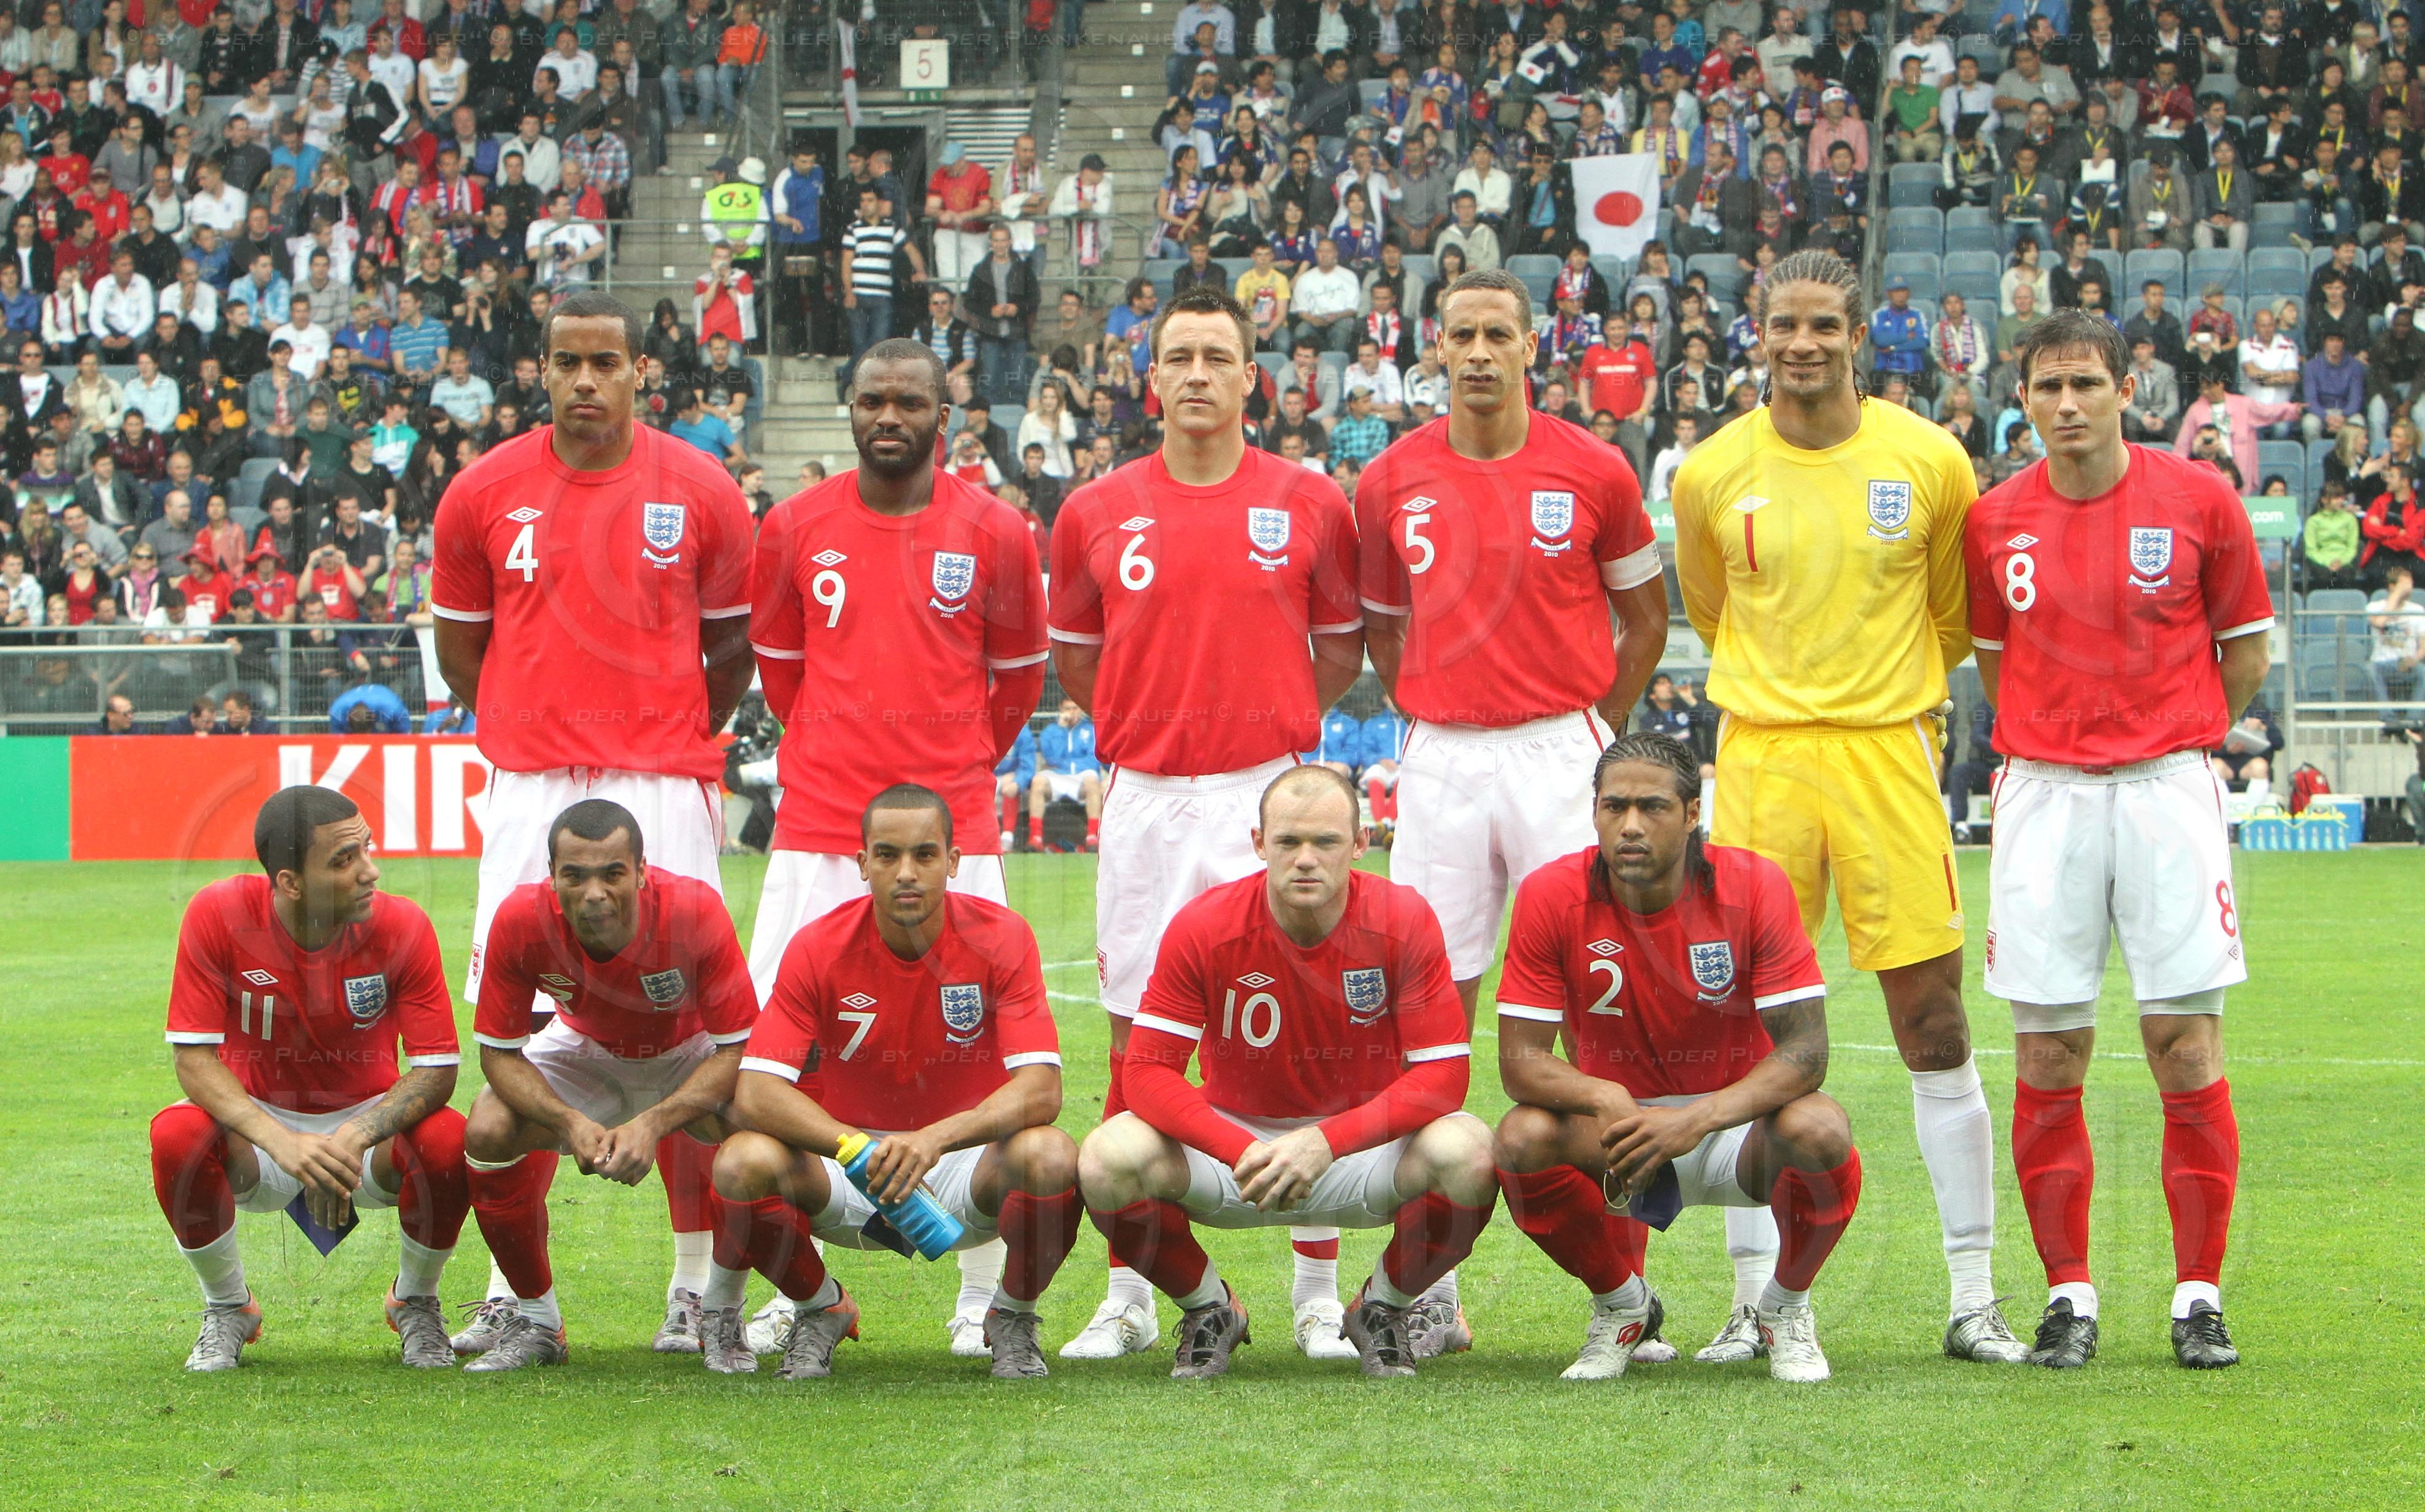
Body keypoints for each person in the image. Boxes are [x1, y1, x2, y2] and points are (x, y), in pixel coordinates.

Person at [1671, 249, 2032, 1365]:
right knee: (1737, 1030)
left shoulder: (1928, 458)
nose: (1804, 344)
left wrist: (1879, 700)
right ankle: (1750, 1302)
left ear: (1859, 333)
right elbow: (1711, 606)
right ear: (1758, 331)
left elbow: (1951, 616)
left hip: (1885, 755)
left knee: (1932, 1018)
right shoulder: (1710, 470)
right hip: (1765, 759)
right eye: (1785, 325)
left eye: (1825, 325)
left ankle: (1971, 1294)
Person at [1353, 266, 1675, 1357]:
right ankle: (1430, 1286)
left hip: (1557, 749)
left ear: (1533, 345)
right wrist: (1440, 712)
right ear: (1433, 349)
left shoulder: (1592, 465)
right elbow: (1384, 631)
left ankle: (1624, 1287)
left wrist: (1591, 727)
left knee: (1599, 1005)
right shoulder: (1391, 477)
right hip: (1442, 755)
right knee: (1429, 1014)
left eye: (1499, 332)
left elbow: (1644, 616)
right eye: (1461, 334)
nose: (1479, 351)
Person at [431, 289, 756, 1356]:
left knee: (686, 1033)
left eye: (604, 362)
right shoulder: (483, 490)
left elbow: (731, 650)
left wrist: (664, 724)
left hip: (662, 775)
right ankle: (518, 1297)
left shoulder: (701, 486)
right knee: (519, 1031)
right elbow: (460, 650)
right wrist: (533, 715)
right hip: (531, 784)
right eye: (565, 361)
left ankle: (694, 1289)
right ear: (542, 368)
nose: (584, 380)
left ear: (638, 372)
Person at [1047, 285, 1365, 1364]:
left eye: (1214, 356)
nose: (1195, 373)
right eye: (1176, 355)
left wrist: (1267, 742)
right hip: (1146, 791)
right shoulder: (1093, 508)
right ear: (1150, 381)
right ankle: (1136, 1285)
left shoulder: (1310, 500)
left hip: (1267, 792)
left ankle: (1316, 1289)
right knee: (1136, 1035)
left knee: (1306, 1031)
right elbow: (1078, 662)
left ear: (1249, 377)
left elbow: (1337, 654)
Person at [1965, 309, 2273, 1371]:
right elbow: (1996, 668)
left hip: (2164, 791)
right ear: (2024, 397)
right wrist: (2061, 739)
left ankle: (2198, 1294)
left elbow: (2243, 655)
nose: (2065, 405)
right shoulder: (1993, 517)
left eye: (2084, 384)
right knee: (2049, 1050)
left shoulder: (2199, 499)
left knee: (2182, 1044)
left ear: (2123, 387)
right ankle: (2068, 1295)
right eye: (2046, 386)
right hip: (2043, 795)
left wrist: (2163, 734)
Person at [741, 336, 1046, 1356]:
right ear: (849, 407)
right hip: (819, 824)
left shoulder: (996, 531)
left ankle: (978, 1291)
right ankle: (799, 1287)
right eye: (870, 398)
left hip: (950, 825)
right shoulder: (792, 528)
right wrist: (845, 761)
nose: (887, 415)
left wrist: (942, 782)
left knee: (972, 1056)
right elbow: (784, 678)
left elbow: (1013, 684)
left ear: (942, 413)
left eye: (907, 400)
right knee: (788, 1058)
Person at [1078, 765, 1494, 1379]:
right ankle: (1210, 1308)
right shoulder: (1206, 923)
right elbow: (1145, 1072)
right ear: (1256, 843)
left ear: (1360, 844)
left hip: (1358, 1147)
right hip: (1235, 1150)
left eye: (1325, 842)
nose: (1306, 859)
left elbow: (1442, 1079)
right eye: (1287, 842)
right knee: (1104, 1158)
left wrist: (1326, 1141)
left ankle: (1381, 1307)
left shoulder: (1403, 918)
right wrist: (1238, 1147)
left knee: (1473, 1152)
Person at [1492, 734, 1860, 1383]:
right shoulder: (1551, 893)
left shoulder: (1753, 884)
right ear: (1595, 810)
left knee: (1821, 1127)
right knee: (1520, 1138)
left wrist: (1698, 1117)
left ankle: (1782, 1306)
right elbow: (1520, 1062)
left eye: (1653, 807)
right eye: (1614, 807)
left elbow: (1806, 1052)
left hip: (1732, 1130)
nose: (1630, 825)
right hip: (1615, 1136)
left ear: (1692, 814)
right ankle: (1621, 1307)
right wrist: (1608, 1098)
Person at [712, 784, 1082, 1379]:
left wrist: (934, 1139)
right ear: (862, 864)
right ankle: (820, 1307)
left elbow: (1041, 1089)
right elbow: (757, 1089)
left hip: (961, 1163)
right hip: (850, 1165)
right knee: (740, 1162)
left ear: (954, 861)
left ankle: (1010, 1316)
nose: (905, 873)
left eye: (924, 855)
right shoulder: (817, 945)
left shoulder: (1002, 936)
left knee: (1052, 1154)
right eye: (886, 855)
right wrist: (852, 1146)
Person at [148, 786, 469, 1371]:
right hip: (260, 1131)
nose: (371, 872)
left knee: (450, 1139)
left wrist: (354, 1136)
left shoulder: (403, 925)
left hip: (366, 1134)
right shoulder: (218, 914)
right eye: (344, 861)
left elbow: (437, 1069)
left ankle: (415, 1301)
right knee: (176, 1135)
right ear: (290, 882)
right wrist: (285, 1144)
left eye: (367, 850)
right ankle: (228, 1309)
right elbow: (194, 1059)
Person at [457, 801, 757, 1371]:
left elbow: (737, 1046)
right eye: (575, 875)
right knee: (488, 1126)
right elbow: (498, 1052)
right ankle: (537, 1321)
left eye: (612, 873)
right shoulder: (520, 918)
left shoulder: (693, 908)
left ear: (642, 873)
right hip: (585, 1051)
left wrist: (654, 1122)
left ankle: (719, 1311)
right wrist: (570, 1122)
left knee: (754, 1121)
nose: (594, 892)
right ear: (551, 877)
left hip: (688, 1052)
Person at [1028, 696, 1101, 850]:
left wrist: (1070, 765)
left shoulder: (1090, 729)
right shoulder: (1051, 731)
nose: (1072, 712)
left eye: (1075, 708)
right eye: (1068, 709)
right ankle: (1036, 837)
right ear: (1061, 710)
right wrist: (1061, 731)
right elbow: (1051, 758)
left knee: (1092, 781)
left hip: (1082, 776)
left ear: (1080, 709)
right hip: (1058, 776)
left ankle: (1092, 837)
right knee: (1038, 781)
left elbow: (1093, 759)